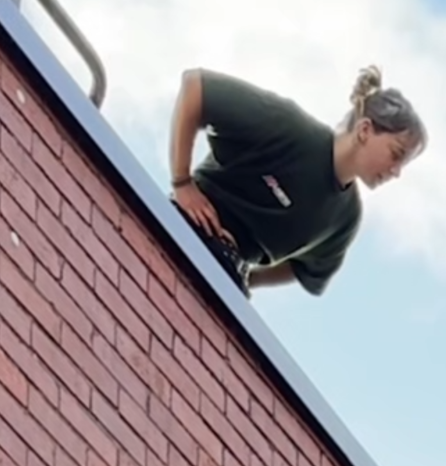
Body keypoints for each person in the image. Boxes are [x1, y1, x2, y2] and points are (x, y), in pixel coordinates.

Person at [167, 66, 426, 296]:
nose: (396, 172)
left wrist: (246, 275)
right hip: (181, 231)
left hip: (222, 275)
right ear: (365, 130)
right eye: (396, 155)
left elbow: (306, 270)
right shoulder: (287, 127)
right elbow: (196, 86)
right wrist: (182, 184)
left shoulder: (345, 219)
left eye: (403, 165)